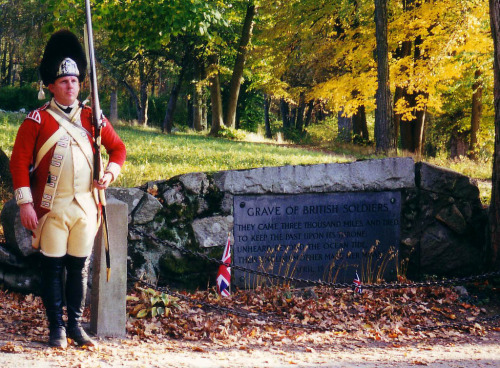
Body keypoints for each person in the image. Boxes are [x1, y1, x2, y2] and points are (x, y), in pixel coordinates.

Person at [9, 30, 126, 349]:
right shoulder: (36, 120)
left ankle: (75, 326)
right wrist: (25, 203)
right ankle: (56, 329)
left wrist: (110, 175)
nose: (70, 85)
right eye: (63, 81)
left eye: (74, 80)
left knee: (79, 269)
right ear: (51, 86)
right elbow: (19, 163)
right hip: (51, 210)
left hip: (87, 208)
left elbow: (119, 150)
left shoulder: (93, 119)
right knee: (52, 268)